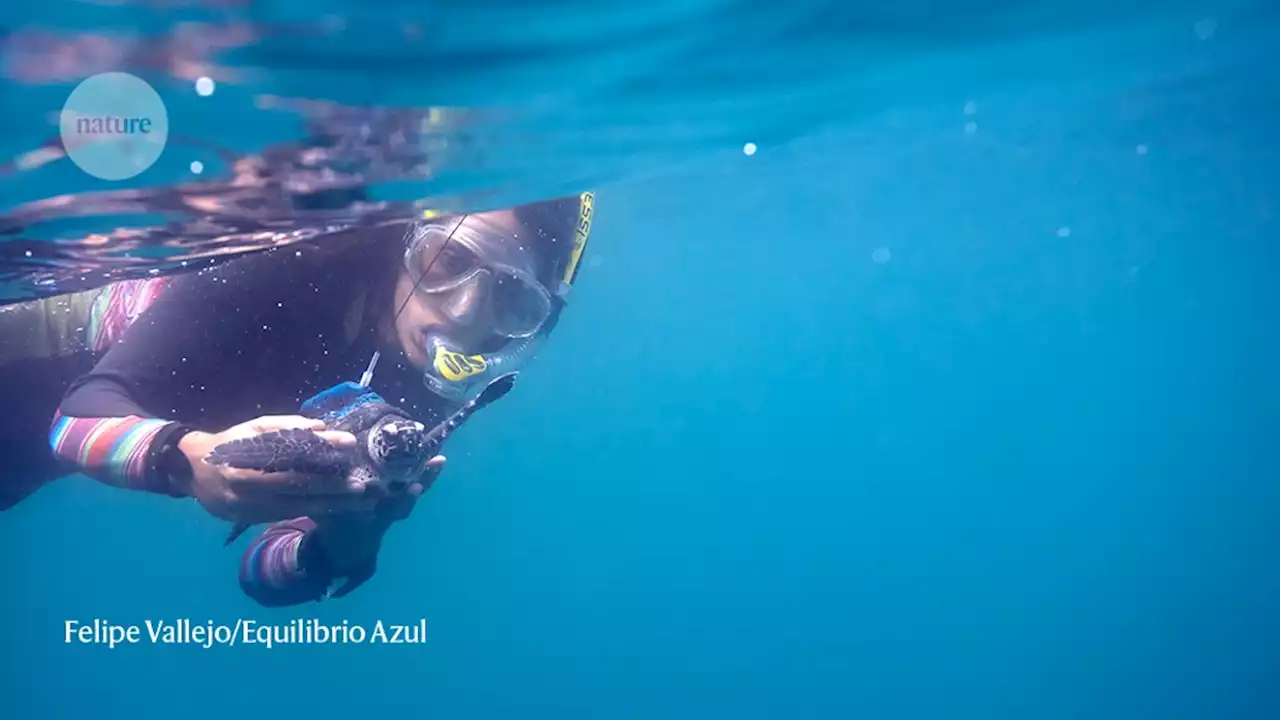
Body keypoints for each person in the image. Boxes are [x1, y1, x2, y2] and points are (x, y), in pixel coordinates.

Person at [0, 191, 596, 605]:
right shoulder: (285, 268)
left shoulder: (416, 383)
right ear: (407, 238)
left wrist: (342, 544)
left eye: (512, 302)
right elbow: (73, 421)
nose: (463, 314)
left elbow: (262, 574)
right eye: (453, 260)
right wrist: (187, 461)